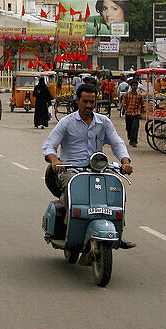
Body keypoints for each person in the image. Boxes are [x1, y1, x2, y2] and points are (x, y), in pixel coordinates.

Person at [42, 82, 134, 245]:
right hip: (72, 170)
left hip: (98, 169)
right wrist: (55, 160)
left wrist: (125, 162)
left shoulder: (103, 122)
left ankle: (118, 232)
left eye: (92, 102)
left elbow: (117, 143)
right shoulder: (67, 122)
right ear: (77, 100)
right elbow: (49, 145)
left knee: (117, 190)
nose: (89, 105)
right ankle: (68, 231)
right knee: (72, 194)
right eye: (85, 101)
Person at [122, 77, 145, 148]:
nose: (134, 86)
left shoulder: (139, 95)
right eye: (133, 85)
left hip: (136, 113)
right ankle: (130, 138)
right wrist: (125, 109)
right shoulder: (127, 95)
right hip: (128, 113)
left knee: (135, 128)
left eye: (135, 85)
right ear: (131, 86)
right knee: (129, 127)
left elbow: (142, 104)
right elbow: (124, 103)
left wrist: (142, 112)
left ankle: (134, 141)